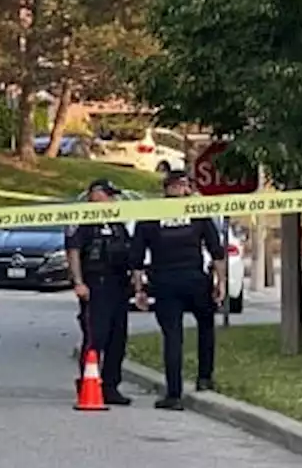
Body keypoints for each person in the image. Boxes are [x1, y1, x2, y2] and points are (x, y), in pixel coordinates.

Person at [130, 170, 227, 410]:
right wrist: (220, 282)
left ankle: (174, 394)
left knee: (173, 336)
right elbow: (216, 251)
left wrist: (139, 289)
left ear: (165, 188)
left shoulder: (150, 215)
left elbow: (136, 258)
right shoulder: (196, 213)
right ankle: (205, 378)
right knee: (206, 327)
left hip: (165, 283)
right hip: (194, 280)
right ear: (184, 188)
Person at [65, 178, 134, 406]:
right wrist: (78, 281)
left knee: (118, 338)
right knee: (96, 335)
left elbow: (128, 250)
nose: (112, 199)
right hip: (95, 284)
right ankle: (88, 380)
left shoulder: (116, 222)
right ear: (95, 194)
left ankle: (111, 385)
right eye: (108, 194)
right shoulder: (82, 219)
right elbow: (73, 251)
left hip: (118, 284)